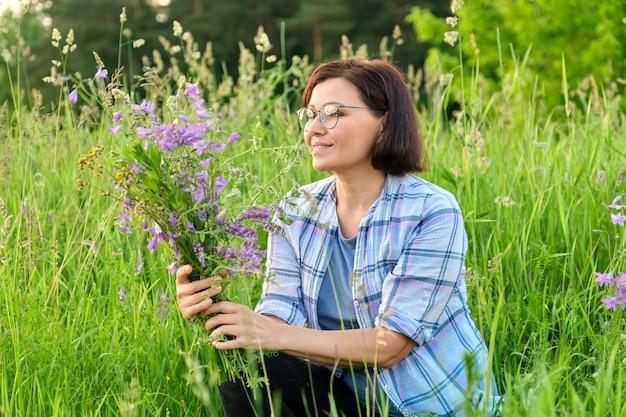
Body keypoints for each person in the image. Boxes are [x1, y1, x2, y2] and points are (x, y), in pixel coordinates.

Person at [175, 57, 503, 417]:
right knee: (248, 373)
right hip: (348, 400)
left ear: (385, 121)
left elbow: (390, 345)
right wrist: (216, 310)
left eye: (333, 113)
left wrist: (270, 335)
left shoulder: (431, 210)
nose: (314, 128)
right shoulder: (296, 209)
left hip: (429, 406)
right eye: (310, 114)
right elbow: (278, 318)